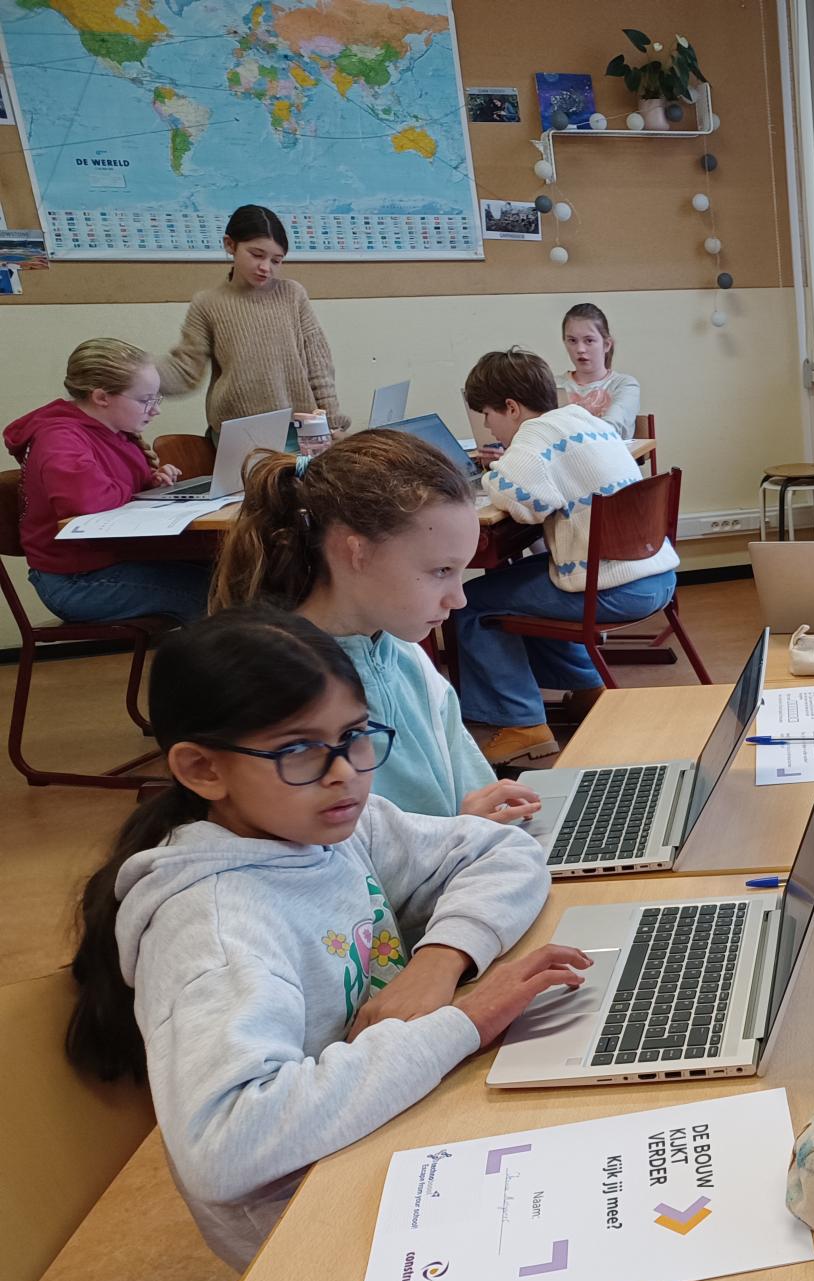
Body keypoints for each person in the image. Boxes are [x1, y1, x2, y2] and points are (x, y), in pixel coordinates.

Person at [65, 607, 588, 1270]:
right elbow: (224, 1146)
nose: (345, 772)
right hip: (321, 1227)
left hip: (390, 1122)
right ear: (202, 770)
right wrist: (463, 1023)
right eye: (298, 750)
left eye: (355, 736)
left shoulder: (330, 824)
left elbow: (501, 851)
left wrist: (439, 961)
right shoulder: (216, 933)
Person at [210, 430, 540, 824]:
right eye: (441, 571)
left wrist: (478, 824)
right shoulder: (278, 691)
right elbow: (328, 854)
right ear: (355, 552)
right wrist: (459, 832)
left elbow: (469, 795)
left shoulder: (407, 657)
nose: (459, 599)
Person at [459, 348, 676, 767]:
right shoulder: (583, 420)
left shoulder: (535, 434)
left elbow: (522, 500)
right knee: (521, 588)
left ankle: (521, 725)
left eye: (488, 415)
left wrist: (492, 472)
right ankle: (587, 688)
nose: (488, 427)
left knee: (474, 604)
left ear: (511, 407)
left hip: (615, 588)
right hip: (656, 576)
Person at [4, 338, 211, 624]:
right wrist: (134, 491)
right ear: (101, 397)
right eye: (145, 400)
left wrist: (149, 484)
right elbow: (86, 501)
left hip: (109, 563)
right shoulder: (59, 438)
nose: (155, 410)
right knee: (215, 594)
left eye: (156, 399)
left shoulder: (115, 431)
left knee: (230, 574)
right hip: (76, 581)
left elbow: (110, 488)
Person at [156, 204, 345, 437]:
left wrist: (332, 422)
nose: (266, 267)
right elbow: (186, 371)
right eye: (256, 255)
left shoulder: (293, 294)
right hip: (238, 431)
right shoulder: (207, 303)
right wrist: (136, 374)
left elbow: (319, 365)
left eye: (276, 260)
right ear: (230, 245)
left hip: (299, 428)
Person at [558, 302, 641, 440]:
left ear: (606, 344)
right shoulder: (553, 385)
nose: (580, 349)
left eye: (589, 341)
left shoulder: (624, 385)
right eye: (572, 340)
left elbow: (612, 428)